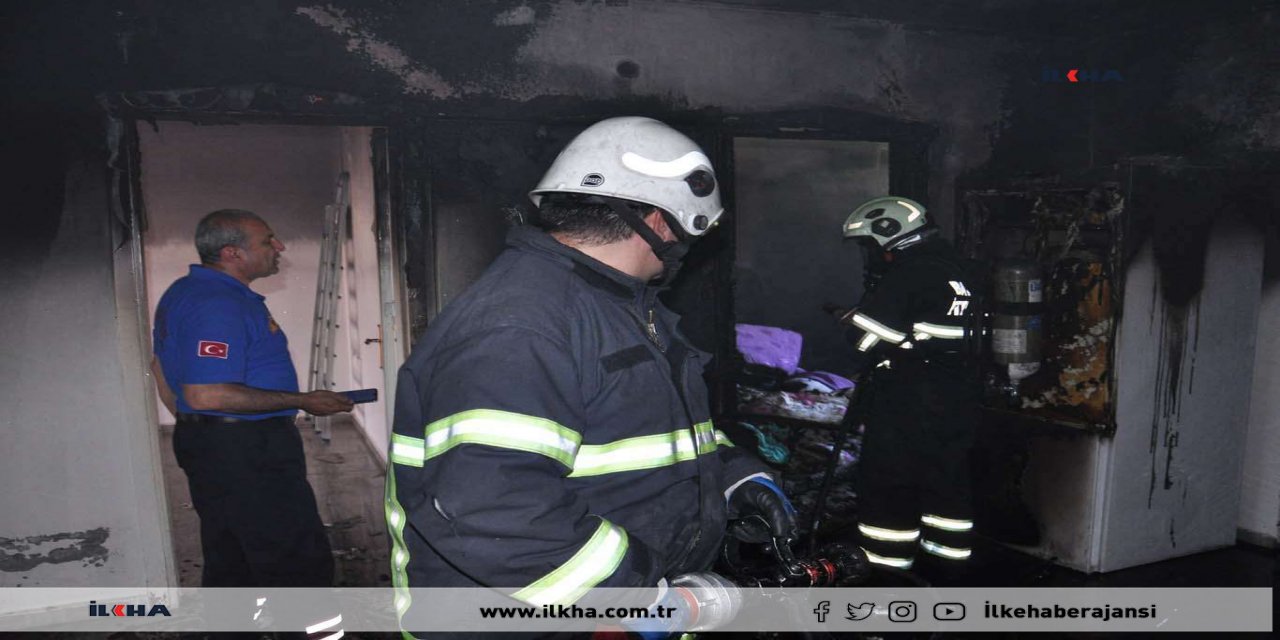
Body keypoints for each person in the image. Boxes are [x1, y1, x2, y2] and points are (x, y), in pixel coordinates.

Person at [386, 117, 795, 632]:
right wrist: (638, 599)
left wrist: (733, 476)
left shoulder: (617, 307)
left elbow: (645, 428)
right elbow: (493, 509)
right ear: (666, 224)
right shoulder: (522, 325)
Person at [151, 209, 351, 616]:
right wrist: (302, 400)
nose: (279, 248)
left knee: (232, 555)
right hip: (245, 449)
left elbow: (159, 366)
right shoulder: (218, 304)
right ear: (232, 253)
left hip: (218, 443)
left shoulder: (186, 291)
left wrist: (194, 424)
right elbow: (207, 393)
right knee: (296, 558)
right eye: (268, 241)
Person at [834, 196, 982, 585]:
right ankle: (947, 570)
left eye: (869, 244)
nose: (870, 254)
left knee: (889, 485)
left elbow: (866, 340)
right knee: (946, 482)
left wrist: (851, 322)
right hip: (958, 393)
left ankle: (885, 575)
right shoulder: (959, 268)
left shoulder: (910, 272)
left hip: (909, 398)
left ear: (890, 236)